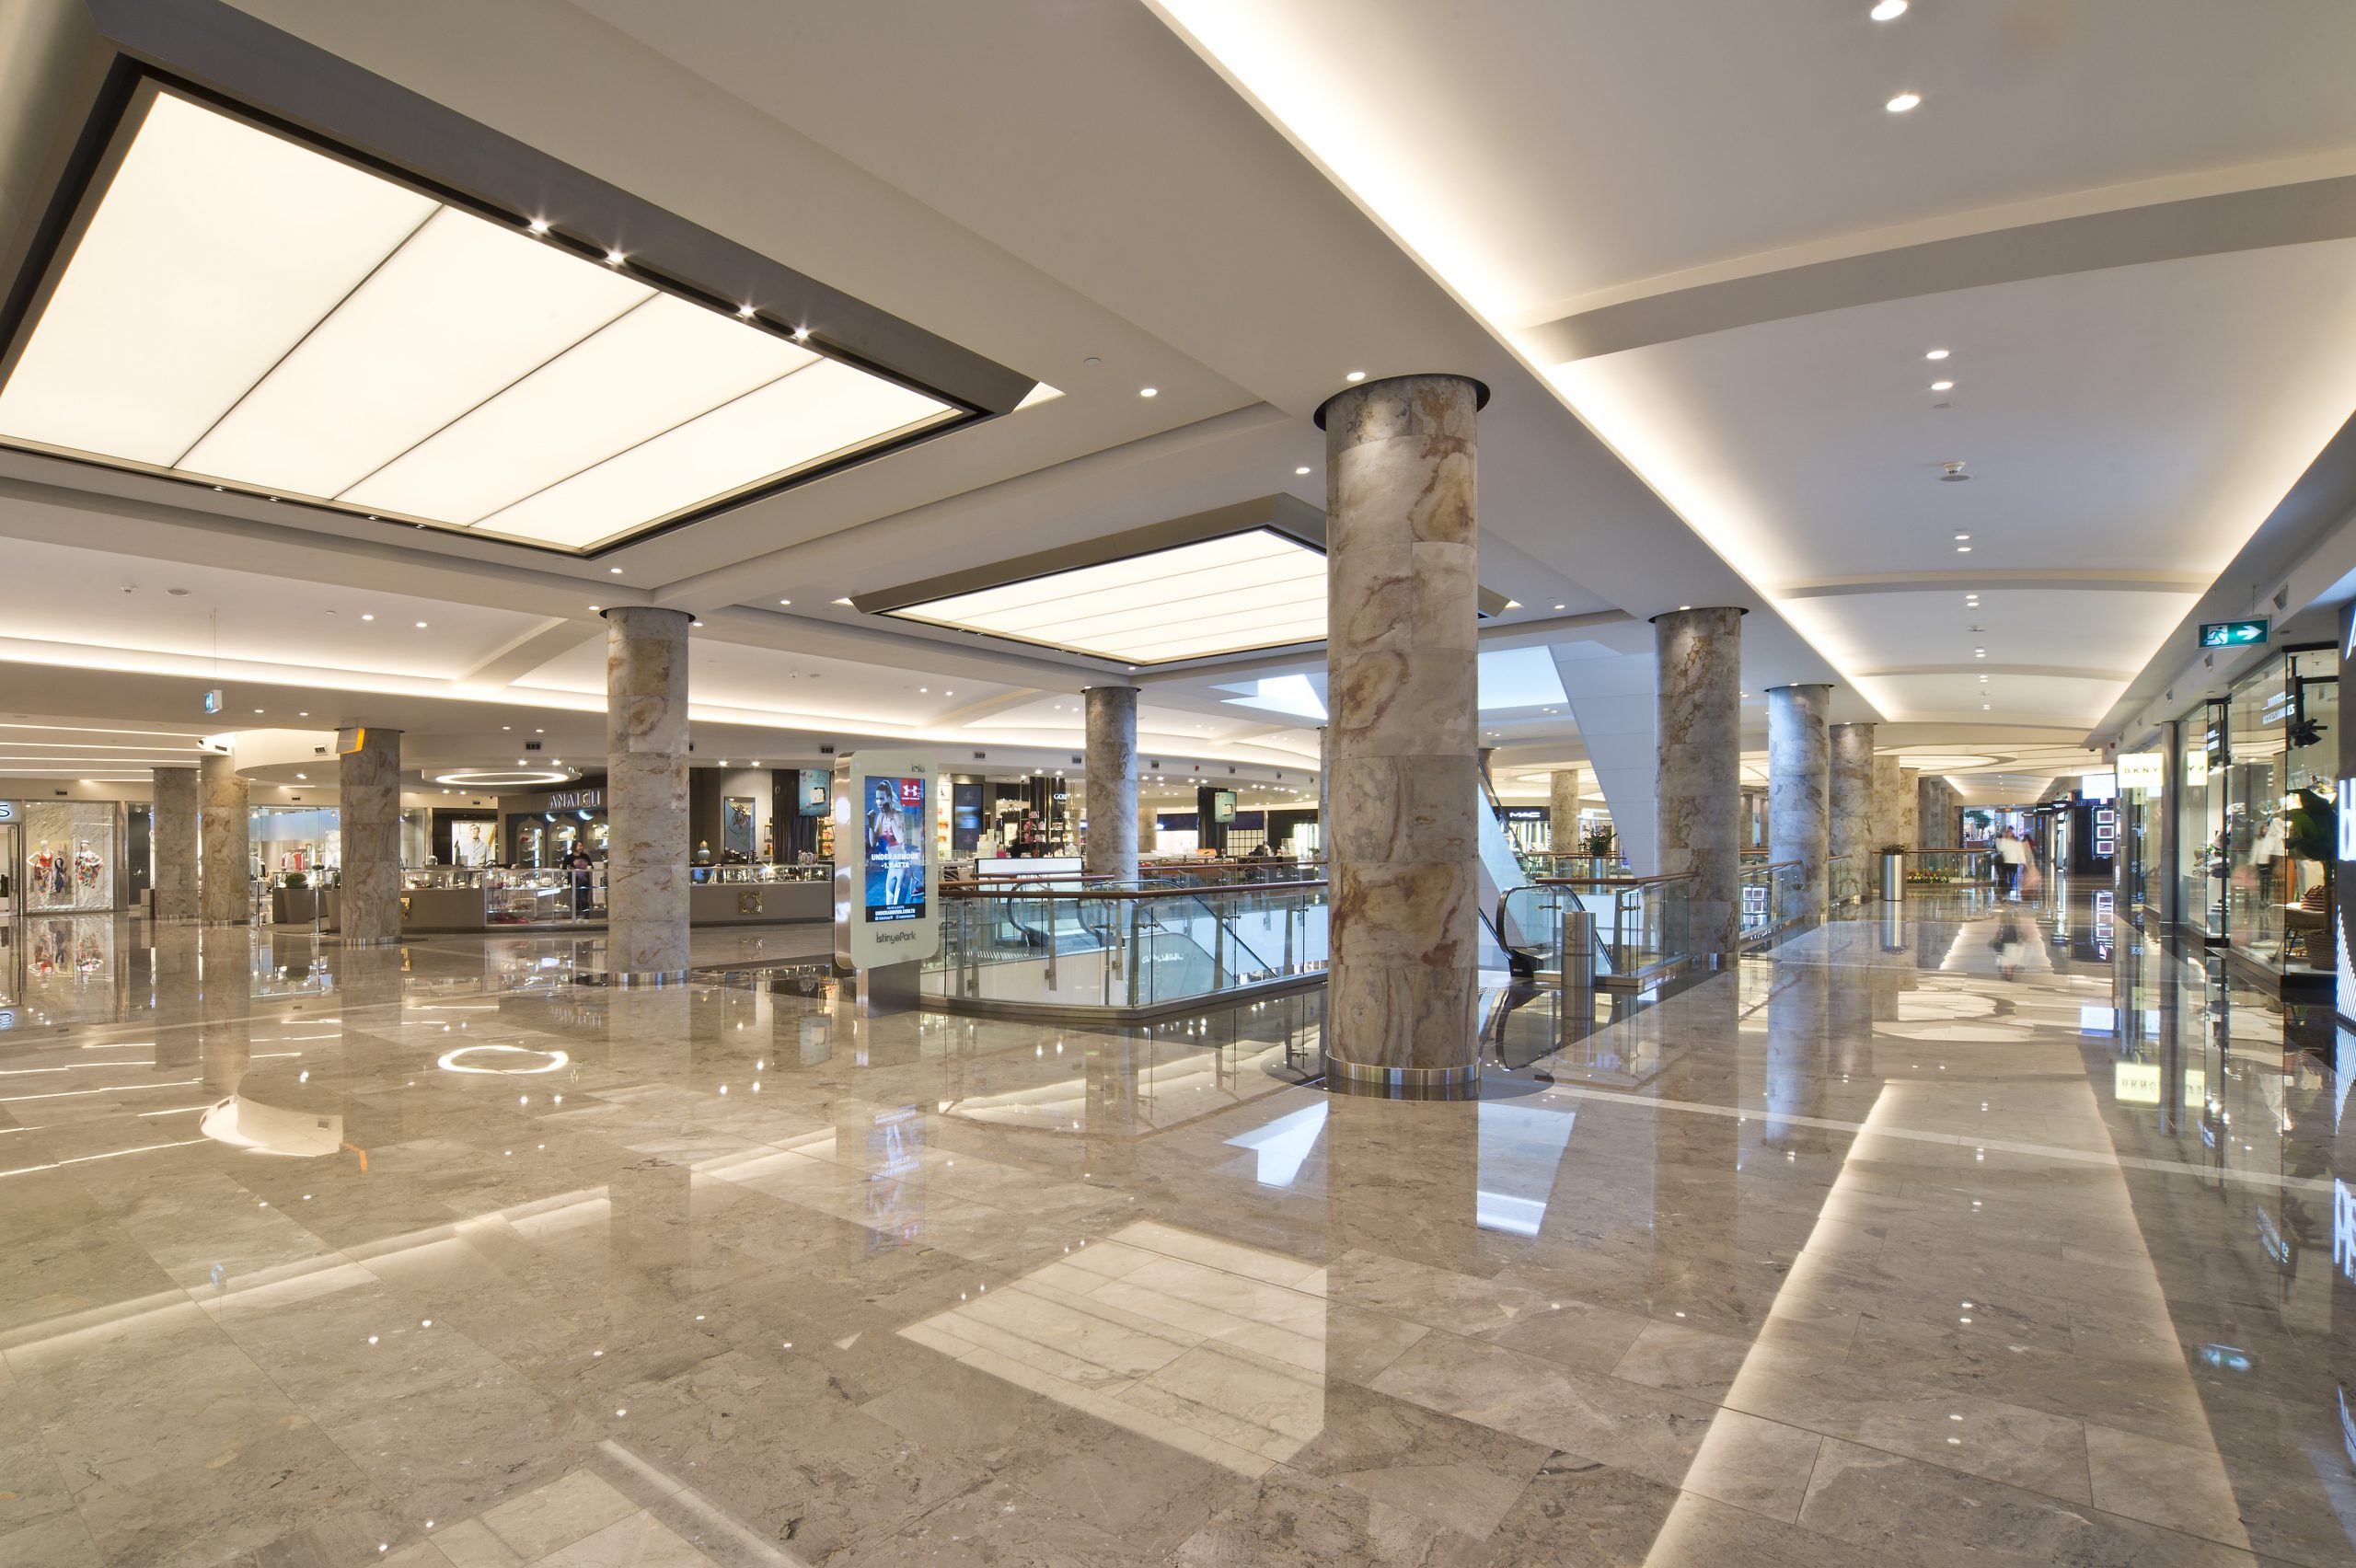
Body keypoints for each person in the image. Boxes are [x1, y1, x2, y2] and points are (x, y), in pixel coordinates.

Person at [1992, 828, 2025, 899]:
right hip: (2008, 862)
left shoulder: (2009, 842)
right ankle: (2007, 889)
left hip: (2010, 862)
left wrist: (1997, 840)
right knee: (2008, 877)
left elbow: (2000, 848)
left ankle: (2007, 890)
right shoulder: (2014, 842)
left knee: (2009, 877)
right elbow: (2001, 849)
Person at [564, 847, 595, 917]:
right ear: (574, 846)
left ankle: (586, 917)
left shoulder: (585, 856)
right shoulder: (568, 857)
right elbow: (564, 868)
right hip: (573, 881)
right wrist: (572, 866)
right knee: (576, 899)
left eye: (582, 845)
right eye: (579, 845)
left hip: (584, 881)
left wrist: (586, 866)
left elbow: (591, 867)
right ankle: (576, 916)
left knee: (583, 899)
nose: (581, 847)